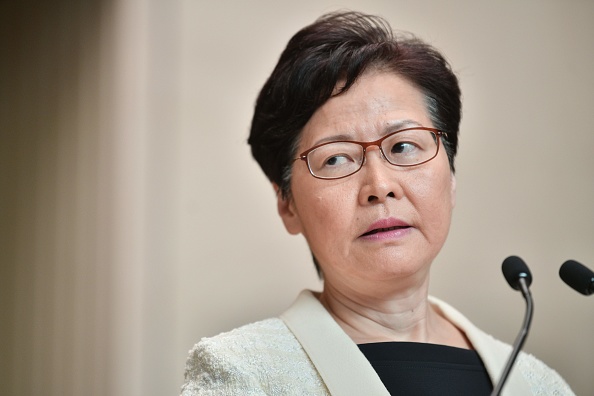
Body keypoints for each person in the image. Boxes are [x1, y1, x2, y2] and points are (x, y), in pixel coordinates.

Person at [181, 11, 574, 395]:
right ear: (287, 204)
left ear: (451, 178)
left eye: (404, 146)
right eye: (335, 158)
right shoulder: (243, 374)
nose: (379, 186)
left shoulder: (538, 383)